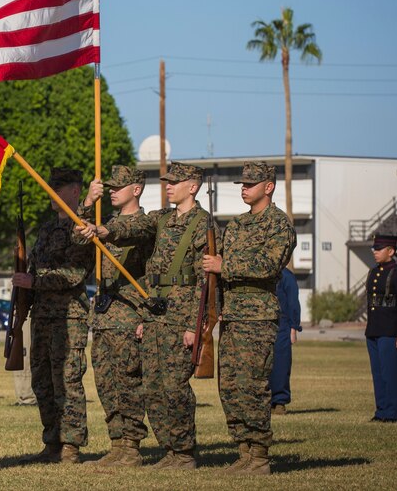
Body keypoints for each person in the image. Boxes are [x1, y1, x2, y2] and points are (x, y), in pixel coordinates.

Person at [79, 161, 211, 470]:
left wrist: (195, 325)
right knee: (153, 388)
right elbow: (134, 226)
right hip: (155, 315)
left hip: (179, 316)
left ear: (192, 186)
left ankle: (182, 452)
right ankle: (168, 451)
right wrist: (104, 228)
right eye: (167, 181)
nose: (168, 186)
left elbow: (205, 281)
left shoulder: (202, 222)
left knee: (175, 387)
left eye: (175, 182)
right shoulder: (160, 219)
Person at [203, 161, 295, 475]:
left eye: (250, 184)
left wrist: (223, 264)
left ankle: (259, 456)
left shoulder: (278, 224)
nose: (244, 189)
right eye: (242, 185)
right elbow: (217, 273)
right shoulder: (237, 225)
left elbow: (269, 265)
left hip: (257, 318)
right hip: (231, 316)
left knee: (253, 387)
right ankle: (243, 450)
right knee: (229, 388)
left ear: (268, 186)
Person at [10, 167, 90, 465]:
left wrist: (35, 282)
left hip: (69, 317)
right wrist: (23, 290)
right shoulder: (46, 230)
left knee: (66, 382)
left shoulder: (81, 230)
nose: (52, 193)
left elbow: (74, 274)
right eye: (50, 187)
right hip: (42, 315)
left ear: (75, 191)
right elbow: (34, 271)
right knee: (42, 381)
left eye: (59, 187)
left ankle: (70, 446)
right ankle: (52, 441)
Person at [78, 165, 153, 468]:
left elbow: (129, 232)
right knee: (106, 383)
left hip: (129, 313)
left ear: (136, 189)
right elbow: (77, 238)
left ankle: (132, 447)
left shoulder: (146, 223)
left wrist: (104, 230)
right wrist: (86, 204)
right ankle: (117, 443)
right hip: (105, 314)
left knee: (128, 383)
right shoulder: (102, 219)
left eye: (119, 187)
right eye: (110, 187)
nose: (112, 191)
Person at [365, 233, 397, 423]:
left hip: (390, 331)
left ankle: (392, 413)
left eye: (379, 249)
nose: (375, 252)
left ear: (391, 251)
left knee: (390, 373)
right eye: (374, 249)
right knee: (378, 374)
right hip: (374, 330)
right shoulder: (373, 272)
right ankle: (381, 411)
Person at [271, 266, 301, 414]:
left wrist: (294, 327)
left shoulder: (286, 276)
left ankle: (279, 402)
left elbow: (293, 303)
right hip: (262, 322)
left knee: (281, 365)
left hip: (282, 325)